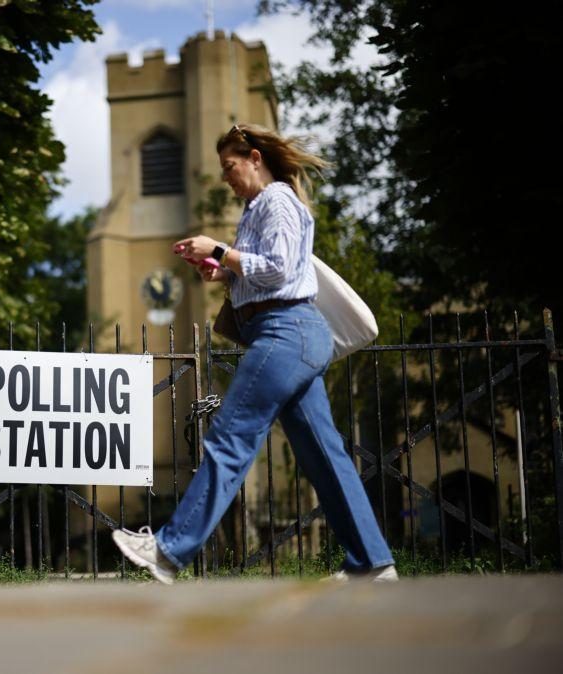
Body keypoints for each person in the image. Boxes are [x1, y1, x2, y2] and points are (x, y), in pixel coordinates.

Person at [112, 123, 397, 585]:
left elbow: (281, 270)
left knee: (230, 437)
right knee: (326, 455)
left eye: (230, 166)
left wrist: (221, 250)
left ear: (255, 159)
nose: (226, 177)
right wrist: (221, 271)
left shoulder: (276, 201)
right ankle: (373, 563)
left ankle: (167, 550)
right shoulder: (257, 209)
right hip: (293, 334)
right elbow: (267, 272)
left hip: (285, 332)